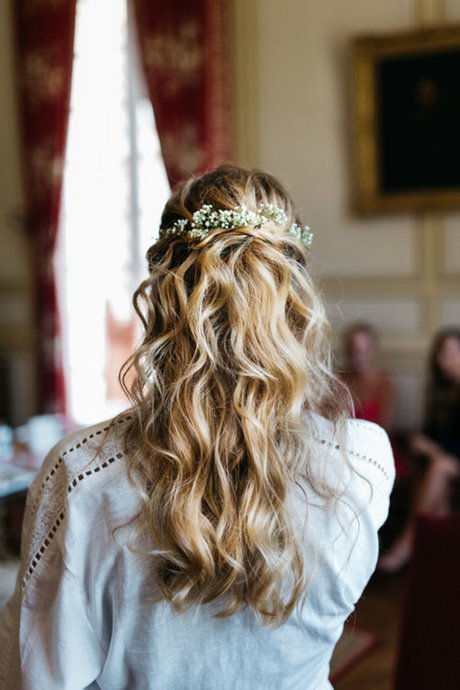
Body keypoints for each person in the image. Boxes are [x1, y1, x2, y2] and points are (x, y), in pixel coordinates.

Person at [0, 165, 394, 689]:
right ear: (294, 300)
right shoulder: (364, 464)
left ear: (166, 301)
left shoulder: (83, 478)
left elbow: (34, 678)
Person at [379, 327, 460, 573]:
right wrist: (420, 441)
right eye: (439, 354)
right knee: (437, 486)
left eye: (446, 353)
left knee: (439, 467)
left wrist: (432, 448)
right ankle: (435, 561)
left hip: (451, 461)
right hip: (445, 462)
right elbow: (434, 432)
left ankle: (406, 545)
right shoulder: (442, 391)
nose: (440, 360)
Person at [341, 323, 395, 431]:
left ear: (373, 351)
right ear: (347, 351)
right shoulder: (339, 380)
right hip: (344, 442)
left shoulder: (383, 382)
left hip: (375, 442)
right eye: (354, 351)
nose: (359, 357)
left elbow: (386, 426)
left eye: (364, 351)